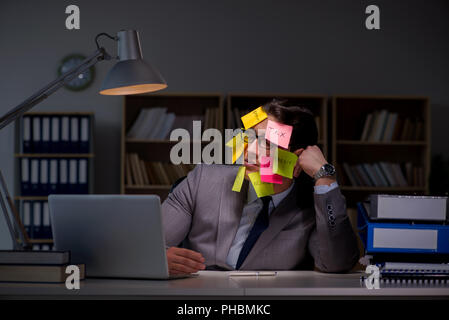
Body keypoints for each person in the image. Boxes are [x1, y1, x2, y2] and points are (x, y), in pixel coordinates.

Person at [161, 99, 359, 275]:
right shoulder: (203, 180)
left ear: (296, 161)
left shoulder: (313, 208)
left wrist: (325, 177)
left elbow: (337, 263)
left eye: (266, 144)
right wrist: (158, 260)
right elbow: (147, 246)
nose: (249, 151)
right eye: (251, 137)